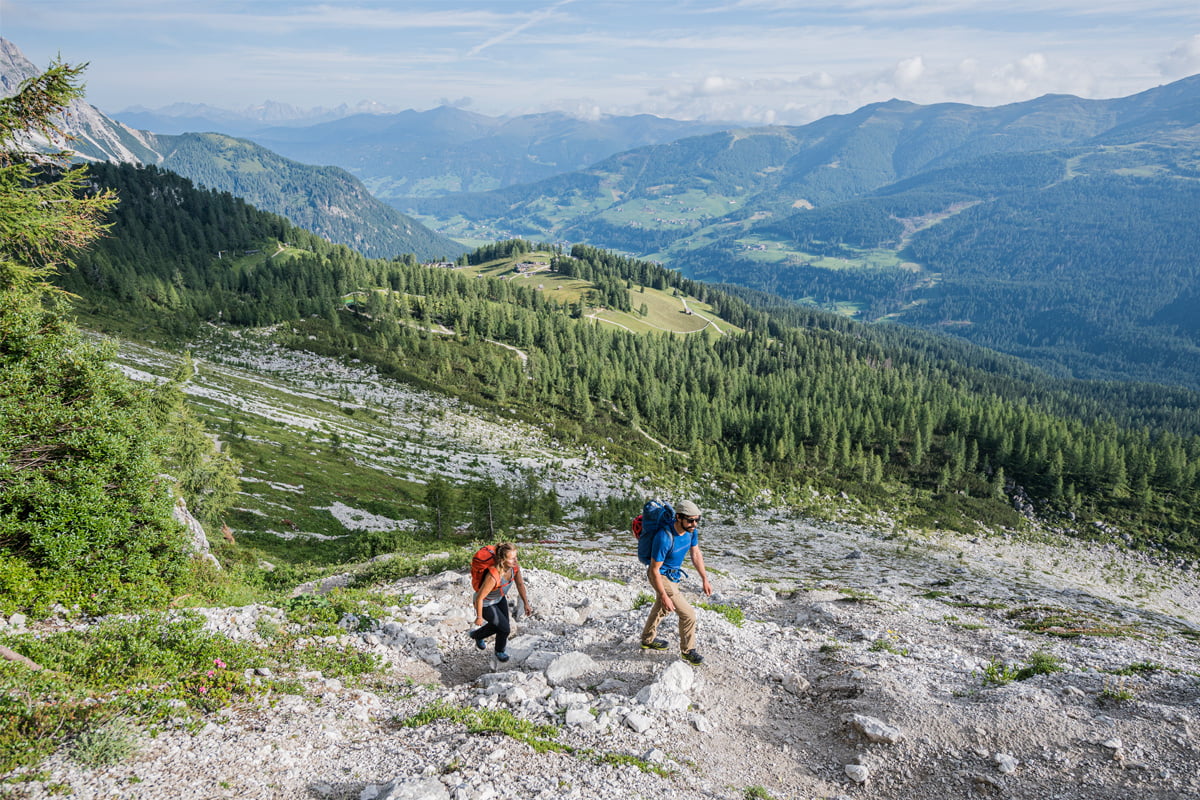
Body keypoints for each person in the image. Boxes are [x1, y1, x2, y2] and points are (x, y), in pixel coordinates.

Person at [640, 499, 713, 665]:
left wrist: (704, 578)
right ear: (679, 517)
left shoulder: (691, 531)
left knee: (662, 609)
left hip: (673, 576)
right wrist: (664, 594)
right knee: (688, 615)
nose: (694, 524)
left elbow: (695, 554)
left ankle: (647, 639)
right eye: (690, 520)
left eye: (697, 520)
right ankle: (688, 651)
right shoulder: (664, 537)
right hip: (661, 576)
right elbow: (654, 570)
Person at [469, 542, 532, 662]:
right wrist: (479, 617)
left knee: (501, 626)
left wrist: (525, 603)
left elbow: (520, 584)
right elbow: (479, 598)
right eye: (512, 558)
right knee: (504, 628)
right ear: (502, 560)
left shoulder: (514, 568)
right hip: (486, 603)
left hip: (499, 599)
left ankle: (476, 635)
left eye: (516, 557)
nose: (515, 560)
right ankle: (499, 651)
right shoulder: (493, 575)